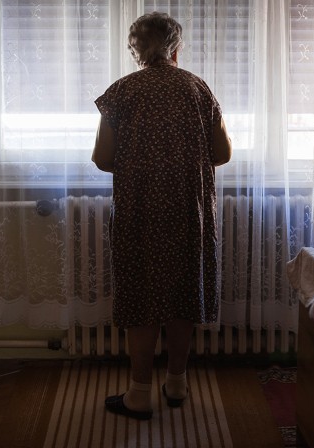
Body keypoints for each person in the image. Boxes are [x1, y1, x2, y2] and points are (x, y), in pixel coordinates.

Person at [92, 11, 232, 420]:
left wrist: (141, 163)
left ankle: (139, 393)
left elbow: (102, 158)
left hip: (139, 208)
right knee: (183, 291)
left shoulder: (121, 91)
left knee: (141, 294)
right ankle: (177, 382)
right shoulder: (196, 88)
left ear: (135, 48)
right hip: (189, 208)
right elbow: (222, 153)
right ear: (176, 48)